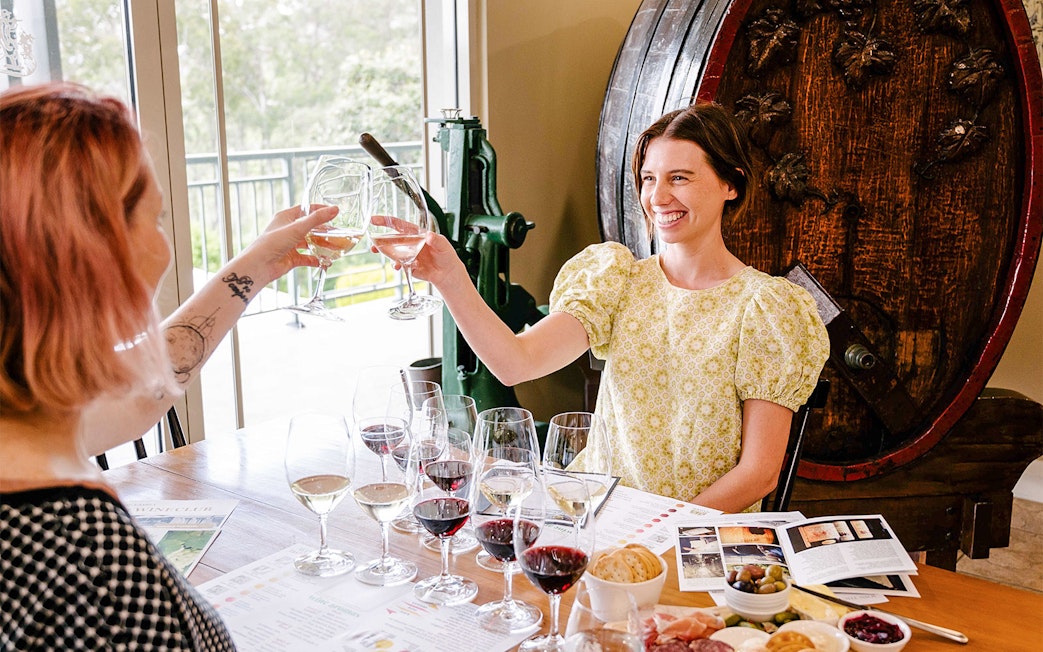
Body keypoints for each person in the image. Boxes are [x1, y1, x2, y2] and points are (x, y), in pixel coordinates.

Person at [0, 82, 337, 650]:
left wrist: (254, 266)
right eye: (155, 219)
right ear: (91, 255)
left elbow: (141, 392)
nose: (166, 247)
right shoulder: (91, 562)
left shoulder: (25, 416)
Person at [407, 102, 830, 513]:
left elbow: (759, 474)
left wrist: (660, 534)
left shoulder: (767, 308)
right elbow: (516, 363)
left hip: (695, 539)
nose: (658, 196)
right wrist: (450, 278)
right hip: (599, 516)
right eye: (648, 178)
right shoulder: (618, 280)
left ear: (731, 184)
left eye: (679, 178)